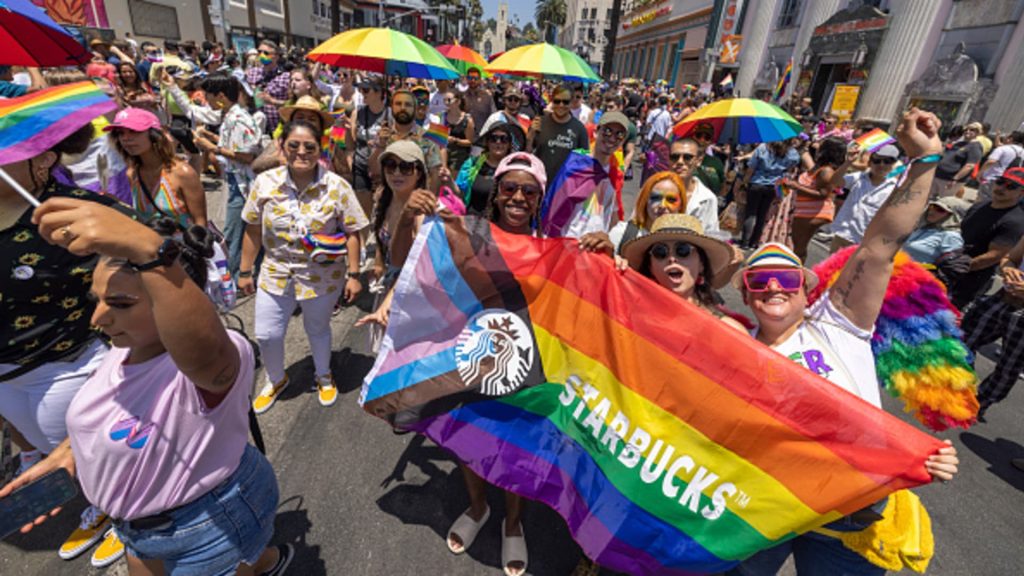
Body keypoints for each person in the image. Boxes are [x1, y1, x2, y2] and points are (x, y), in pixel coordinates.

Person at [729, 108, 960, 576]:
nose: (773, 287)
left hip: (852, 516)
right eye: (760, 280)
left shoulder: (838, 321)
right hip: (768, 508)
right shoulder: (736, 346)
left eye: (785, 277)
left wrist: (925, 160)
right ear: (746, 293)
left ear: (804, 286)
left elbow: (880, 244)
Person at [5, 200, 292, 576]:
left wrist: (149, 250)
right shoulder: (124, 348)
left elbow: (207, 355)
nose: (98, 318)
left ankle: (260, 560)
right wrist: (69, 453)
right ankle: (263, 561)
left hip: (207, 522)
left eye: (121, 304)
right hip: (139, 530)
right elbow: (121, 409)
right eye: (97, 300)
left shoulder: (214, 357)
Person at [240, 120, 368, 413]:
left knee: (318, 328)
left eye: (309, 147)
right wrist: (245, 270)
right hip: (275, 271)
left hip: (322, 276)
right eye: (294, 145)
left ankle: (323, 374)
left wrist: (354, 274)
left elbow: (352, 232)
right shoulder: (265, 183)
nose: (301, 152)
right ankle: (276, 379)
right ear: (281, 147)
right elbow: (252, 229)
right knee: (267, 333)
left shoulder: (336, 186)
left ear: (319, 149)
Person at [621, 213, 746, 329]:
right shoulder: (628, 313)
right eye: (660, 252)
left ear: (701, 263)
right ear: (650, 266)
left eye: (683, 250)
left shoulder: (728, 331)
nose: (672, 259)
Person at [193, 74, 262, 276]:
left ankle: (229, 280)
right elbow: (236, 145)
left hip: (242, 184)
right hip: (236, 181)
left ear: (221, 96)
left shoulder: (238, 119)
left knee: (233, 234)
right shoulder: (232, 117)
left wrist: (212, 147)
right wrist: (212, 138)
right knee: (246, 231)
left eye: (209, 96)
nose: (207, 101)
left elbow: (247, 155)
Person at [106, 108, 207, 229]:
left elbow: (200, 223)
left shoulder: (182, 173)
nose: (126, 138)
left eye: (133, 131)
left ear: (153, 135)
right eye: (120, 133)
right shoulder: (132, 173)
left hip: (184, 246)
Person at [962, 234, 1024, 421]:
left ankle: (979, 404)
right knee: (963, 340)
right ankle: (959, 389)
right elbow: (1009, 259)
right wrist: (1008, 270)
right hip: (1002, 298)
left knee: (1008, 368)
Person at [951, 168, 1024, 308]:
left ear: (1021, 193)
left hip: (968, 280)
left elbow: (995, 256)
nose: (1002, 188)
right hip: (949, 265)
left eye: (1011, 186)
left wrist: (960, 268)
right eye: (1000, 182)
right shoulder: (981, 205)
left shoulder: (1016, 221)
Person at [828, 144, 901, 252]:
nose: (881, 165)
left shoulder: (894, 189)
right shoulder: (859, 177)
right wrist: (847, 163)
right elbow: (834, 182)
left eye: (887, 161)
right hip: (842, 235)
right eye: (877, 160)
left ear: (893, 164)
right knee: (831, 268)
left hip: (864, 244)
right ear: (870, 163)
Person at [782, 137, 845, 260]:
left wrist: (797, 187)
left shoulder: (826, 171)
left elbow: (823, 194)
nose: (817, 147)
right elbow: (806, 158)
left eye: (820, 146)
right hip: (805, 211)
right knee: (797, 245)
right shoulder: (818, 168)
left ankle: (797, 274)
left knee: (798, 247)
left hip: (812, 213)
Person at [369, 89, 444, 193]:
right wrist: (380, 146)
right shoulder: (383, 135)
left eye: (408, 105)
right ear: (392, 107)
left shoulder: (427, 139)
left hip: (416, 201)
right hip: (387, 201)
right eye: (398, 104)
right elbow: (374, 171)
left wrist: (429, 202)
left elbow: (435, 174)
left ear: (415, 108)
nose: (402, 108)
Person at [738, 139, 801, 248]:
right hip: (774, 186)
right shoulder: (792, 153)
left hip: (756, 183)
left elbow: (751, 169)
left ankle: (745, 242)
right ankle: (754, 242)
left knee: (751, 213)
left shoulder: (763, 148)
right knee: (762, 214)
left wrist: (744, 183)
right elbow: (789, 171)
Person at [528, 84, 589, 193]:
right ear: (552, 101)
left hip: (564, 190)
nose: (561, 105)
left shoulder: (579, 129)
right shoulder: (539, 123)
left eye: (565, 102)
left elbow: (583, 163)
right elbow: (527, 154)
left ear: (571, 102)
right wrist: (531, 134)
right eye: (557, 101)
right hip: (539, 186)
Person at [346, 74, 390, 218]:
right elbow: (351, 144)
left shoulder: (390, 115)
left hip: (383, 169)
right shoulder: (357, 113)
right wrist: (346, 129)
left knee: (383, 212)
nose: (361, 93)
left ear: (378, 92)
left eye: (366, 90)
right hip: (361, 165)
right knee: (363, 214)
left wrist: (382, 142)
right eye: (360, 90)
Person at [455, 122, 523, 214]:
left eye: (504, 139)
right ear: (487, 142)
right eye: (493, 138)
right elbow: (458, 191)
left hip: (499, 224)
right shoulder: (472, 164)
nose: (498, 142)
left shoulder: (515, 169)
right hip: (472, 220)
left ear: (509, 144)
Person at [670, 137, 720, 233]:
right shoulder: (654, 189)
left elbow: (711, 235)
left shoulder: (707, 199)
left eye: (687, 157)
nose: (680, 162)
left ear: (698, 161)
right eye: (674, 157)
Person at [902, 196, 969, 265]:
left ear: (953, 216)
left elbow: (952, 265)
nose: (932, 211)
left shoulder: (951, 236)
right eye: (932, 207)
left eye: (940, 210)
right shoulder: (923, 227)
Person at [245, 40, 291, 132]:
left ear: (276, 56)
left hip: (276, 127)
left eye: (266, 53)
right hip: (255, 127)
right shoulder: (252, 73)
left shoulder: (286, 77)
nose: (262, 55)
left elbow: (292, 103)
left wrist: (272, 101)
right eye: (259, 52)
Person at [932, 121, 984, 198]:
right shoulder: (959, 143)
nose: (968, 131)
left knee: (941, 203)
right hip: (938, 175)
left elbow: (969, 165)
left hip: (950, 179)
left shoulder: (975, 147)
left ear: (977, 132)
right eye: (966, 129)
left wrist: (955, 179)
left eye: (972, 130)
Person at [976, 131, 1024, 203]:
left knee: (982, 200)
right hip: (1008, 181)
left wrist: (980, 173)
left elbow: (991, 161)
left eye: (1007, 136)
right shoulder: (1022, 151)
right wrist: (997, 135)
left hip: (992, 178)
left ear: (1010, 139)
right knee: (997, 201)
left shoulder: (1003, 149)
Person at [443, 89, 475, 175]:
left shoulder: (467, 120)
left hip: (459, 158)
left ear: (458, 102)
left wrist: (455, 140)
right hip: (443, 156)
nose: (446, 103)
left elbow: (470, 141)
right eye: (444, 100)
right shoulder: (442, 117)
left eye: (449, 100)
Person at [463, 68, 495, 134]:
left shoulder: (487, 96)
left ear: (480, 80)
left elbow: (493, 116)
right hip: (464, 136)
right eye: (470, 78)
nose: (473, 80)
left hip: (482, 136)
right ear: (466, 79)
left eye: (475, 78)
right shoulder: (462, 97)